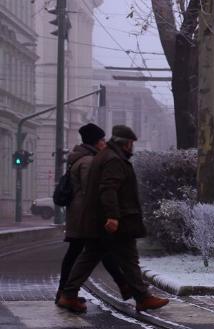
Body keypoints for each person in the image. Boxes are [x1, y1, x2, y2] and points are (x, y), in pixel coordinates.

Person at [57, 125, 169, 314]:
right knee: (129, 258)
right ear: (127, 143)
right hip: (116, 220)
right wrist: (112, 216)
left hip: (101, 219)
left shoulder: (105, 156)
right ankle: (142, 297)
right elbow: (108, 189)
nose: (132, 147)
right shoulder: (113, 159)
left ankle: (68, 294)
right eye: (132, 143)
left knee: (90, 256)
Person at [56, 123, 132, 304]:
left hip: (79, 214)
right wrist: (108, 211)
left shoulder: (79, 158)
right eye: (102, 140)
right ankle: (67, 293)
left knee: (87, 251)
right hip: (86, 215)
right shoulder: (89, 162)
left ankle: (65, 292)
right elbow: (94, 191)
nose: (105, 143)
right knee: (97, 250)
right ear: (96, 142)